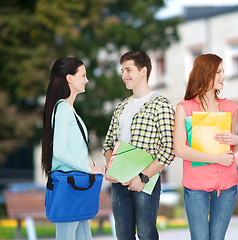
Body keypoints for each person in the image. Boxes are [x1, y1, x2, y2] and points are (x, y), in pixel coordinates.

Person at [102, 51, 175, 240]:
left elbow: (169, 149)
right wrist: (114, 169)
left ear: (143, 71)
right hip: (119, 184)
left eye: (128, 70)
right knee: (123, 235)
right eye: (122, 70)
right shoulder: (121, 107)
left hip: (145, 182)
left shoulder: (161, 105)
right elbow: (108, 143)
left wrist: (142, 178)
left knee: (146, 234)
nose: (123, 75)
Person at [173, 53, 238, 240]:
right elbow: (179, 149)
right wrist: (215, 159)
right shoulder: (184, 108)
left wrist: (237, 141)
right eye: (219, 71)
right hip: (196, 185)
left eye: (223, 71)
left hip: (226, 183)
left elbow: (231, 149)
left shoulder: (230, 107)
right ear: (206, 74)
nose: (224, 76)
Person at [41, 57, 104, 239]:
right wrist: (88, 169)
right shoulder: (63, 108)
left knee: (84, 237)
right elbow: (59, 151)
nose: (87, 80)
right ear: (69, 78)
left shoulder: (69, 109)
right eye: (83, 75)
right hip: (70, 185)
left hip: (76, 185)